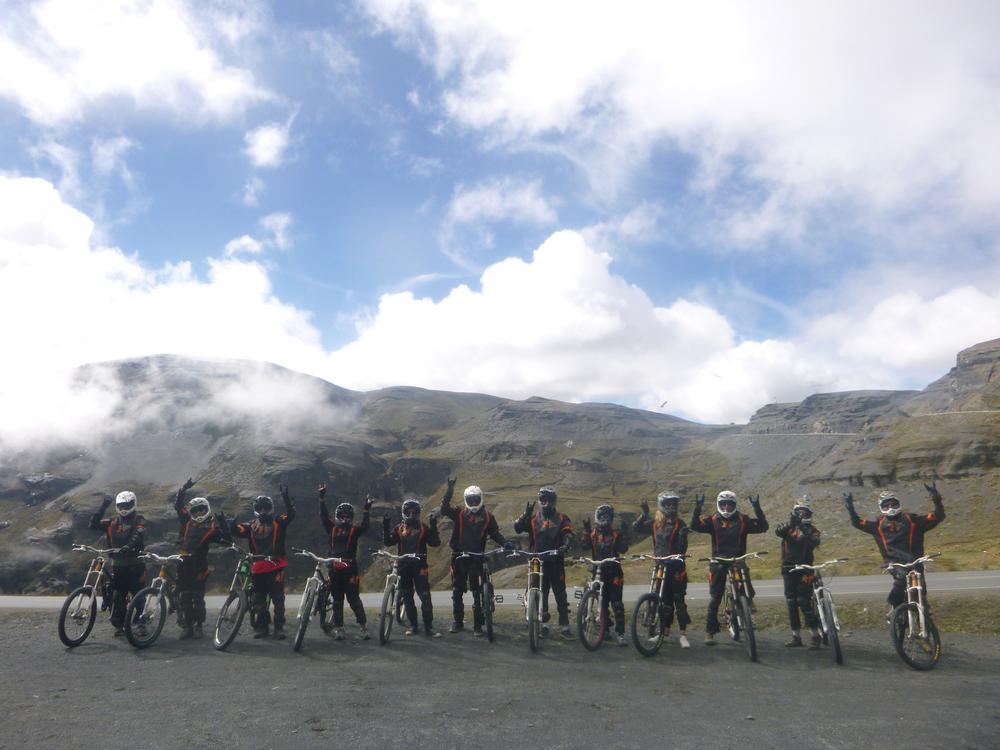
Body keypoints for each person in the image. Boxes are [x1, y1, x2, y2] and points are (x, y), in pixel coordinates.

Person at [844, 483, 945, 614]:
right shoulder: (877, 525)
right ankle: (895, 608)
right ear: (881, 507)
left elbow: (938, 516)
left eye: (893, 504)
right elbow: (857, 522)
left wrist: (936, 499)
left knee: (921, 593)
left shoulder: (913, 520)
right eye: (886, 505)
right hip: (894, 564)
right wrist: (850, 508)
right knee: (901, 582)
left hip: (915, 562)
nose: (890, 507)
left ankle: (923, 622)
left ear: (899, 504)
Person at [690, 490, 768, 645]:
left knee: (744, 573)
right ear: (719, 504)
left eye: (730, 503)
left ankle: (748, 603)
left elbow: (762, 527)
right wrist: (697, 508)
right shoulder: (713, 520)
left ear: (734, 505)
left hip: (737, 559)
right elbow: (695, 526)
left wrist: (757, 509)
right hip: (718, 561)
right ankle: (710, 633)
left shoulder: (743, 519)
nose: (726, 507)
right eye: (723, 503)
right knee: (715, 598)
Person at [439, 477, 513, 636]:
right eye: (470, 500)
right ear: (466, 500)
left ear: (480, 499)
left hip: (476, 557)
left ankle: (478, 626)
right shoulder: (459, 512)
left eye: (476, 500)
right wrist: (449, 490)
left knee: (477, 593)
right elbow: (444, 508)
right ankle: (457, 622)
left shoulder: (488, 517)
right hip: (458, 556)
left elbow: (495, 534)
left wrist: (505, 543)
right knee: (457, 591)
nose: (473, 503)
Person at [230, 486, 296, 640]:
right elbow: (236, 531)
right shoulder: (251, 525)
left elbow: (291, 515)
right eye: (260, 508)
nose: (263, 511)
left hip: (277, 565)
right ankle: (262, 627)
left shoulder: (279, 521)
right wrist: (229, 524)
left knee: (278, 599)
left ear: (271, 509)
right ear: (256, 509)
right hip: (258, 568)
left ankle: (279, 628)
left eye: (266, 508)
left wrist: (286, 499)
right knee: (258, 599)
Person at [513, 486, 575, 638]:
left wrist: (566, 545)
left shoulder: (562, 518)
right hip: (537, 561)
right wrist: (525, 514)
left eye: (548, 500)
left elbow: (568, 533)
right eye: (542, 500)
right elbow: (518, 529)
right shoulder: (534, 518)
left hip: (555, 561)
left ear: (554, 501)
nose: (545, 503)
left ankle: (565, 627)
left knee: (560, 595)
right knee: (542, 594)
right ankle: (544, 625)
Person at [633, 492, 691, 648]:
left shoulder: (681, 524)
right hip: (660, 566)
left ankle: (683, 635)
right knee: (663, 602)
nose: (671, 507)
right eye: (668, 504)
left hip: (676, 568)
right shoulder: (655, 523)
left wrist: (682, 538)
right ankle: (663, 633)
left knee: (678, 601)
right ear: (662, 505)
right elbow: (636, 528)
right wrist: (644, 514)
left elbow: (682, 548)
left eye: (673, 504)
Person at [174, 478, 231, 640]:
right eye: (196, 510)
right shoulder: (186, 522)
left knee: (198, 599)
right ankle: (187, 627)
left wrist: (223, 523)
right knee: (184, 597)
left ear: (207, 510)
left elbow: (227, 541)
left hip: (199, 567)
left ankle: (198, 626)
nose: (198, 513)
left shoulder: (212, 528)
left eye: (202, 510)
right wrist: (184, 488)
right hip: (182, 564)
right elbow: (178, 505)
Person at [89, 490, 147, 636]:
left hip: (136, 565)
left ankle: (141, 624)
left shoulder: (139, 519)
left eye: (127, 505)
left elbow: (138, 534)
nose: (124, 509)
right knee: (118, 597)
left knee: (138, 595)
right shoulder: (112, 521)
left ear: (134, 504)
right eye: (121, 506)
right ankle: (120, 625)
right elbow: (93, 525)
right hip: (118, 566)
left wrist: (129, 547)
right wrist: (103, 505)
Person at [382, 498, 442, 637]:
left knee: (425, 597)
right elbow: (388, 541)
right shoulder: (398, 528)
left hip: (420, 567)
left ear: (418, 513)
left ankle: (429, 628)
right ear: (403, 513)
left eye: (414, 513)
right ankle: (413, 626)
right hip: (403, 567)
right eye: (408, 513)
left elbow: (435, 543)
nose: (411, 515)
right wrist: (385, 526)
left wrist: (433, 525)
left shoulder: (423, 527)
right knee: (408, 598)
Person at [319, 484, 372, 640]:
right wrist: (321, 499)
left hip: (350, 569)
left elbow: (365, 526)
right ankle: (340, 628)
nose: (344, 519)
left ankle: (363, 627)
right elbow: (323, 516)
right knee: (337, 600)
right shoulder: (332, 528)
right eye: (341, 516)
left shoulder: (355, 530)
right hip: (335, 569)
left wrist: (367, 510)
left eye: (348, 517)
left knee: (354, 599)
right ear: (337, 517)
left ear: (351, 518)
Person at [581, 504, 630, 646]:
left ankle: (620, 634)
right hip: (598, 572)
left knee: (617, 604)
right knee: (601, 603)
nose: (604, 519)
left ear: (611, 518)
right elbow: (585, 546)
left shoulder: (615, 534)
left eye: (607, 517)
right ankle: (605, 630)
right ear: (597, 517)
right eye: (601, 516)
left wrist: (624, 534)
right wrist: (585, 530)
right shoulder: (592, 534)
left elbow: (623, 549)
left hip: (614, 573)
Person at [775, 499, 822, 648]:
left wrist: (801, 525)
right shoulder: (788, 528)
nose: (801, 514)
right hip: (788, 568)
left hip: (806, 568)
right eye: (799, 512)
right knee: (791, 602)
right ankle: (796, 636)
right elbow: (778, 532)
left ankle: (815, 635)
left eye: (805, 512)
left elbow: (815, 542)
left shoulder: (813, 530)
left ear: (809, 514)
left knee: (803, 600)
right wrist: (791, 523)